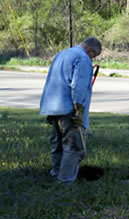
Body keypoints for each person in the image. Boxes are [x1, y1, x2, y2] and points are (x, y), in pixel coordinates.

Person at [40, 37, 102, 184]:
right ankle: (65, 181)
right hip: (69, 108)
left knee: (58, 144)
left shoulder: (63, 54)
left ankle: (56, 174)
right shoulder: (83, 59)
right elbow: (78, 86)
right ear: (91, 50)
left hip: (53, 106)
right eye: (94, 56)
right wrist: (78, 108)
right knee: (74, 146)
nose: (92, 59)